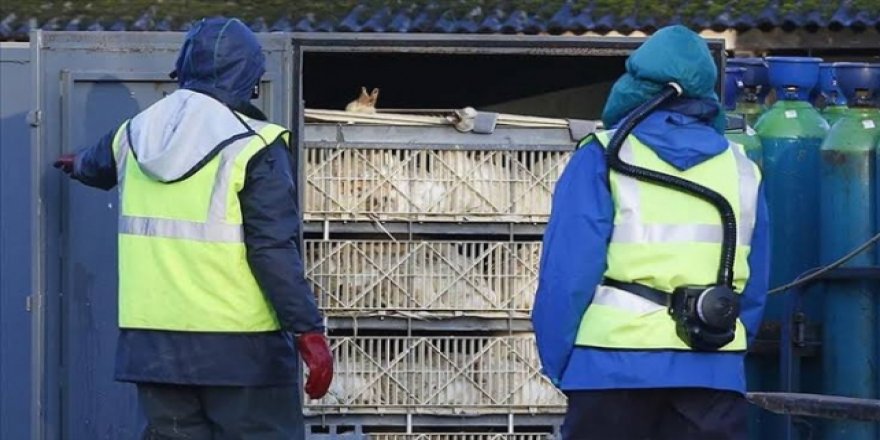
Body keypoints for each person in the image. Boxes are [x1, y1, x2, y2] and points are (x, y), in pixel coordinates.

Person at [54, 17, 332, 439]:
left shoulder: (134, 134)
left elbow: (93, 165)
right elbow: (273, 249)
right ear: (250, 79)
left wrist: (74, 164)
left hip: (154, 350)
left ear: (182, 70)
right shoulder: (255, 146)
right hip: (243, 351)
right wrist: (309, 330)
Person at [532, 25, 769, 440]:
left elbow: (566, 275)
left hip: (610, 373)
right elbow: (755, 288)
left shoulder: (602, 157)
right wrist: (723, 355)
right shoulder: (742, 168)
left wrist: (562, 363)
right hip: (711, 375)